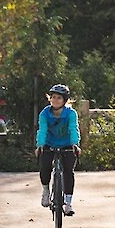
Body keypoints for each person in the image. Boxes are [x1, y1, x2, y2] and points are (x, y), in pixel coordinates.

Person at [35, 84, 81, 215]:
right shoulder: (45, 113)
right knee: (45, 166)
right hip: (49, 143)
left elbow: (73, 128)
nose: (55, 100)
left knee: (68, 171)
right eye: (53, 97)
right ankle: (45, 191)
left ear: (64, 100)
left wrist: (75, 144)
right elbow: (42, 130)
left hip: (67, 144)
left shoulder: (70, 113)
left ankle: (68, 203)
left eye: (59, 98)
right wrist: (40, 145)